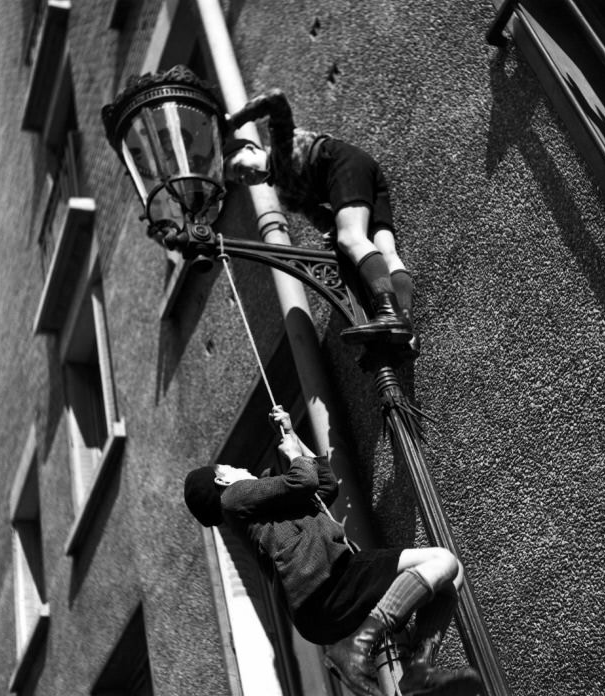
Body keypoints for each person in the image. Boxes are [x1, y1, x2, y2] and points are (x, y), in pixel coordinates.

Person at [184, 406, 482, 696]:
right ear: (222, 480)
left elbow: (325, 486)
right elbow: (304, 480)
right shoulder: (233, 497)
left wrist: (295, 437)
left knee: (447, 576)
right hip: (327, 582)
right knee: (441, 560)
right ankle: (358, 648)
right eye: (232, 467)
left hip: (323, 598)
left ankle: (417, 668)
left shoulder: (262, 507)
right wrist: (291, 455)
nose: (241, 467)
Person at [222, 89, 417, 351]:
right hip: (363, 174)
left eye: (238, 167)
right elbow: (323, 220)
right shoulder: (286, 195)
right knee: (386, 250)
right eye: (238, 180)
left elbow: (275, 99)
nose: (244, 177)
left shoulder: (282, 142)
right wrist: (331, 234)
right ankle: (406, 328)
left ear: (250, 147)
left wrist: (236, 120)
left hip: (343, 165)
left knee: (351, 237)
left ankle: (389, 312)